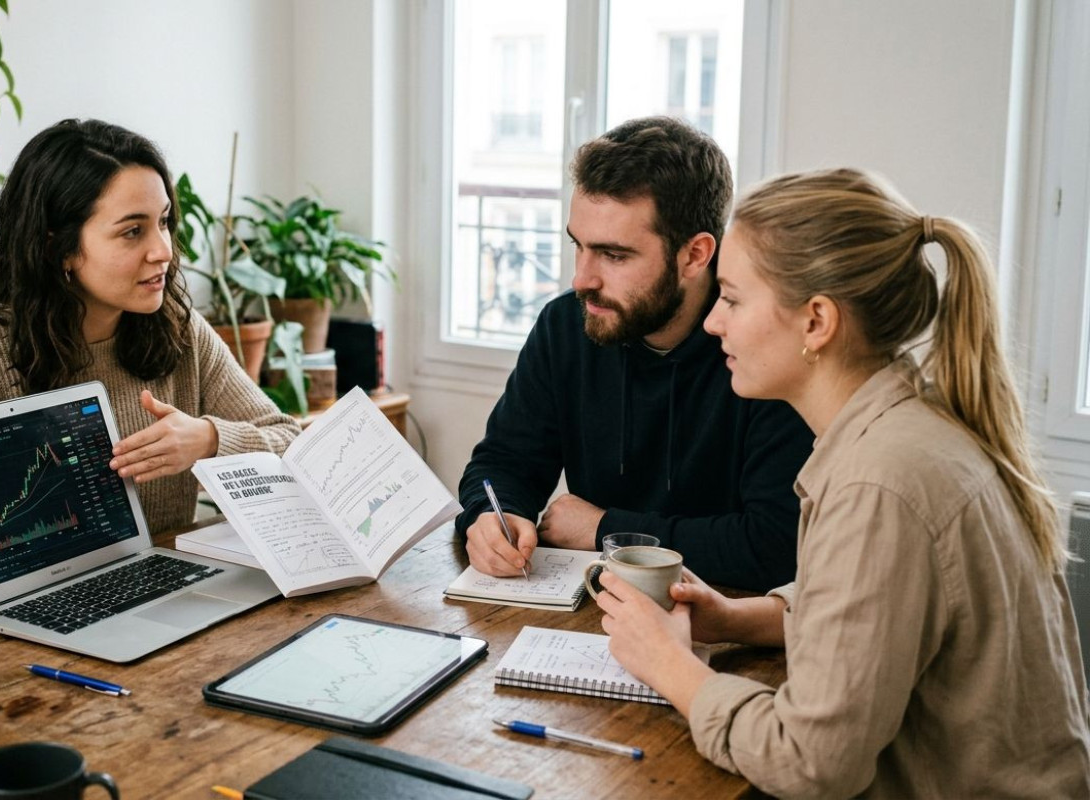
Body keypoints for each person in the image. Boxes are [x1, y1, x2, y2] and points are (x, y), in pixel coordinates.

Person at [595, 168, 1090, 797]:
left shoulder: (880, 481)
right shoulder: (910, 424)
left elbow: (810, 763)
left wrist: (670, 665)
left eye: (734, 299)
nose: (714, 323)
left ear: (817, 322)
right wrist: (739, 618)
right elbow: (883, 610)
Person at [0, 119, 302, 614]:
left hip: (165, 597)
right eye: (133, 231)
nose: (163, 251)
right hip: (25, 626)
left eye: (163, 222)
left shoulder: (178, 327)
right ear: (61, 248)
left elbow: (293, 444)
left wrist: (209, 439)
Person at [458, 116, 812, 591]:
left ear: (695, 255)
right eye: (578, 246)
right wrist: (492, 516)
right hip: (591, 617)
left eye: (614, 255)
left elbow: (773, 546)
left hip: (726, 625)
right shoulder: (566, 325)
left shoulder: (759, 349)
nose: (582, 279)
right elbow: (503, 463)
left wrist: (605, 530)